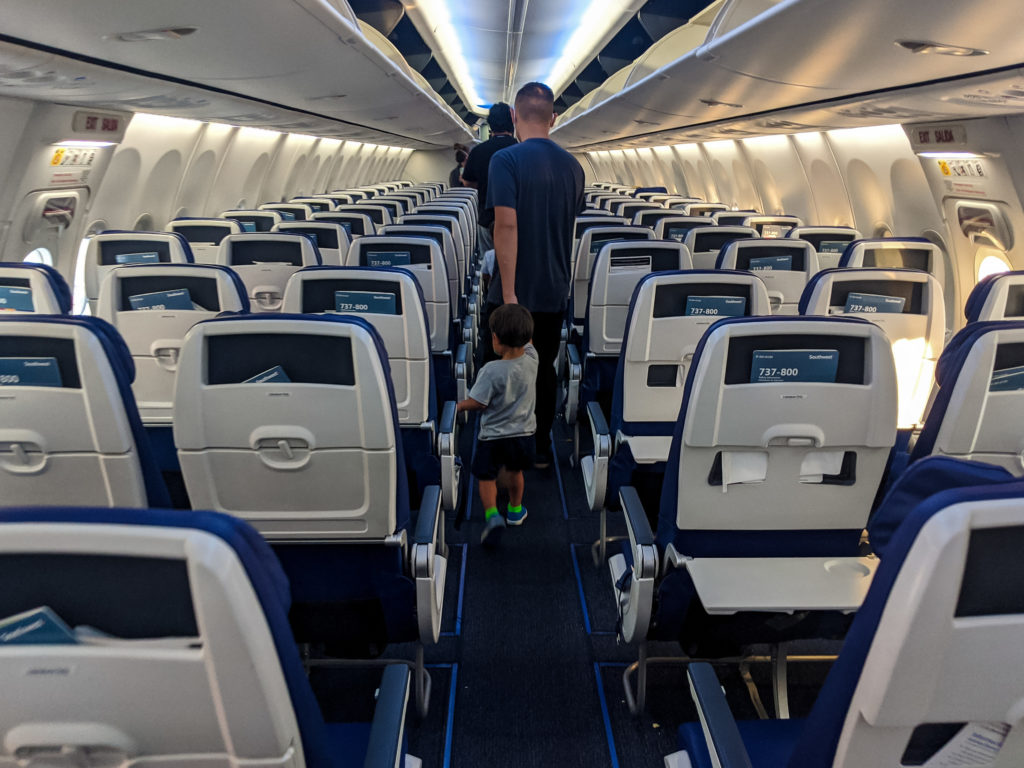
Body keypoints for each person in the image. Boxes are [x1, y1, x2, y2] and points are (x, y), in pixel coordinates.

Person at [485, 82, 585, 468]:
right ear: (554, 118)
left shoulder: (505, 161)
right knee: (543, 370)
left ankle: (500, 450)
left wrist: (508, 295)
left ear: (514, 116)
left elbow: (505, 226)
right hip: (553, 291)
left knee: (503, 371)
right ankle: (541, 448)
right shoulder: (574, 167)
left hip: (515, 293)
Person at [457, 304, 538, 546]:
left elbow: (479, 403)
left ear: (495, 339)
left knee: (486, 477)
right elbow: (529, 341)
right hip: (523, 434)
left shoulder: (490, 371)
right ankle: (515, 510)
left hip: (492, 437)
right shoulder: (533, 360)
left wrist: (460, 406)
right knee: (515, 472)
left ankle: (492, 515)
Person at [461, 102, 517, 252]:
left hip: (487, 217)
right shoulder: (521, 149)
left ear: (490, 124)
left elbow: (467, 182)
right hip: (516, 219)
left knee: (487, 263)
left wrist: (485, 184)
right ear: (512, 122)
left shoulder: (478, 151)